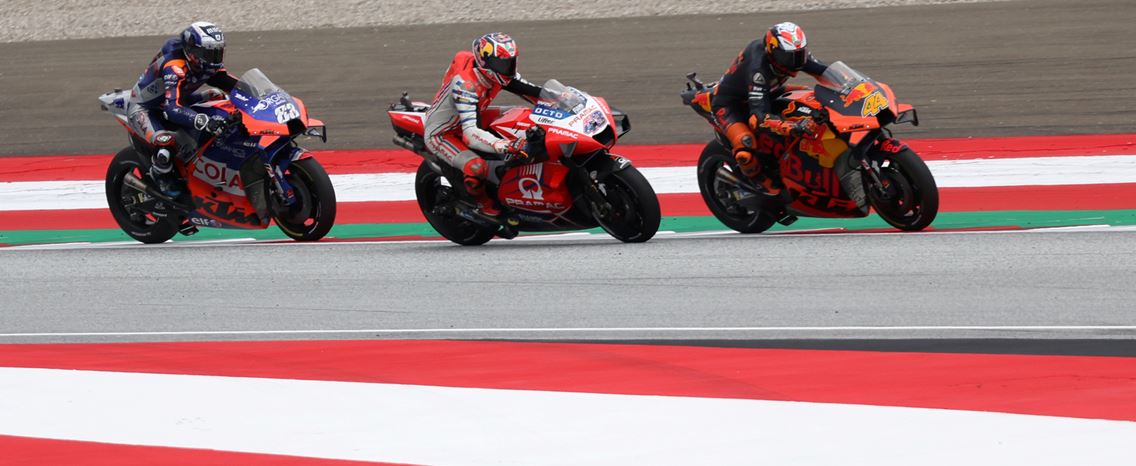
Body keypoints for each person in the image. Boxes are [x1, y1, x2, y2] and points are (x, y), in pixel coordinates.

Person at [423, 32, 544, 218]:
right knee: (476, 167)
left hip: (475, 113)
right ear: (484, 61)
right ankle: (482, 204)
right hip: (444, 132)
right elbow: (470, 134)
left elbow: (531, 91)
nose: (507, 68)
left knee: (523, 115)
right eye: (501, 63)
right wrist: (507, 146)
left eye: (510, 62)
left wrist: (563, 99)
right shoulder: (466, 85)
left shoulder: (496, 74)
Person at [711, 22, 829, 197]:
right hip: (731, 104)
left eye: (800, 54)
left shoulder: (792, 55)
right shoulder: (758, 69)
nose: (796, 62)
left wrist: (853, 87)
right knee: (745, 142)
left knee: (808, 95)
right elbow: (759, 117)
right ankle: (762, 186)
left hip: (769, 92)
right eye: (790, 58)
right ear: (772, 51)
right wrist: (793, 127)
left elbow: (825, 72)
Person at [127, 21, 239, 196]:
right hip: (146, 109)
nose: (214, 59)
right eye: (208, 53)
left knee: (218, 98)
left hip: (179, 100)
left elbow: (236, 86)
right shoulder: (175, 67)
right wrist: (202, 121)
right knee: (165, 142)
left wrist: (261, 97)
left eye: (217, 53)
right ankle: (160, 176)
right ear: (192, 50)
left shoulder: (207, 65)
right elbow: (172, 109)